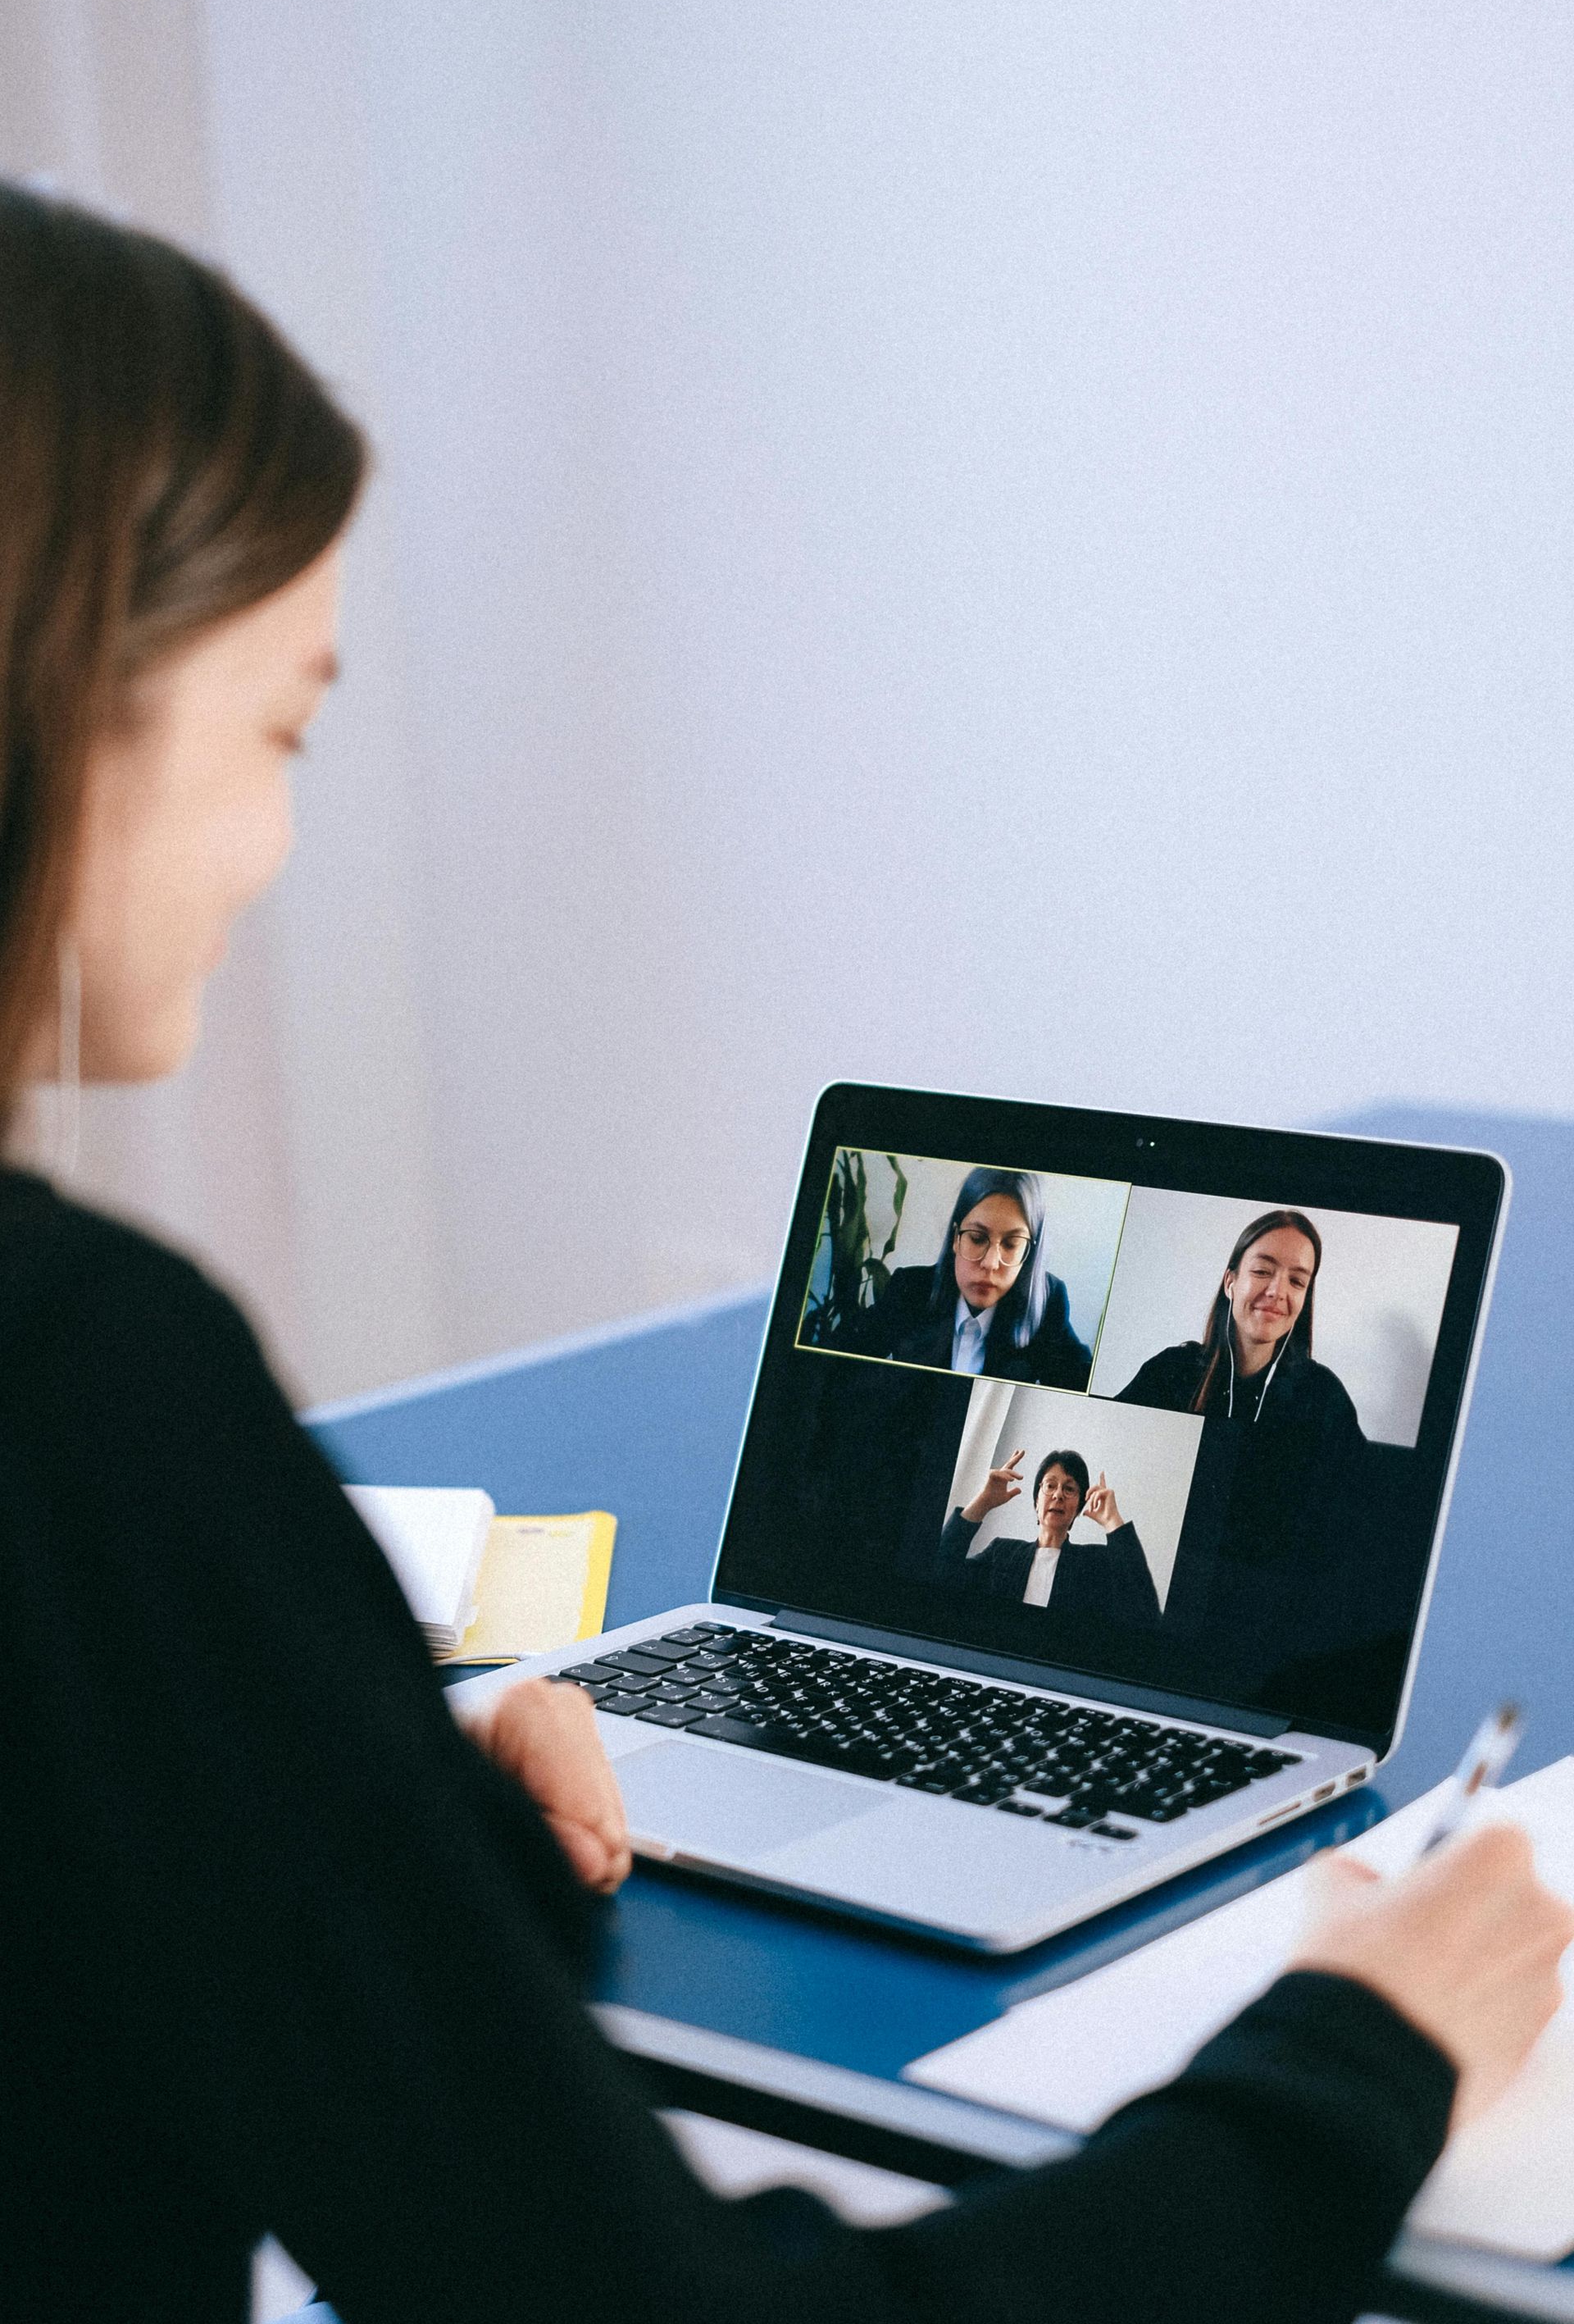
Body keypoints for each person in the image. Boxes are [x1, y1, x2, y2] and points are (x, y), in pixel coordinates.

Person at [2, 179, 1571, 2324]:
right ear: (70, 684)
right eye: (282, 728)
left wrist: (354, 1831)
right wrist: (1356, 2054)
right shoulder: (87, 1395)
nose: (278, 843)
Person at [1118, 1209, 1362, 1440]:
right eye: (1262, 1271)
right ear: (1230, 1282)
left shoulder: (1323, 1396)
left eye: (1297, 1281)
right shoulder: (1169, 1372)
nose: (1277, 1292)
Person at [849, 1164, 1094, 1389]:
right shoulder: (911, 1289)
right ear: (956, 1238)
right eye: (977, 1239)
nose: (990, 1263)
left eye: (1010, 1244)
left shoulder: (1048, 1305)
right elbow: (840, 1361)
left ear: (1029, 1252)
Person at [937, 1446, 1161, 1629]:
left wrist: (1113, 1522)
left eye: (1069, 1489)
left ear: (1079, 1506)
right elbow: (938, 1574)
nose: (1058, 1495)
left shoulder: (1096, 1562)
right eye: (1050, 1486)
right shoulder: (1001, 1553)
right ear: (1036, 1501)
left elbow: (1146, 1615)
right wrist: (983, 1502)